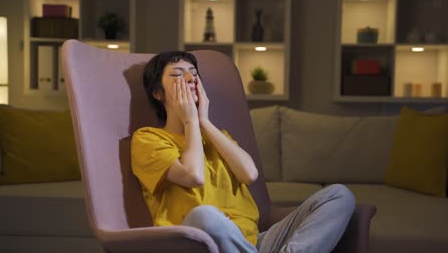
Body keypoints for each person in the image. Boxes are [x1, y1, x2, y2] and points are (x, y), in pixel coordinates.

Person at [131, 51, 356, 253]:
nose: (191, 79)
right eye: (178, 75)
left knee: (338, 195)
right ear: (158, 93)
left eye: (194, 74)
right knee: (205, 215)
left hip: (253, 243)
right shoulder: (148, 138)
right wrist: (189, 120)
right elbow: (194, 175)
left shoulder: (218, 136)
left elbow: (249, 173)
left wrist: (205, 122)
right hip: (199, 242)